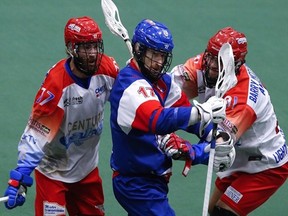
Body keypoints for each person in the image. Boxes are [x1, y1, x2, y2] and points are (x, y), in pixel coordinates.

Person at [109, 19, 234, 216]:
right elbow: (158, 120)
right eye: (154, 55)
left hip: (155, 182)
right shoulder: (128, 86)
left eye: (162, 55)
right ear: (139, 50)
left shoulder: (163, 83)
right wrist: (202, 112)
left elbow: (193, 121)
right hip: (136, 185)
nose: (159, 62)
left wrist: (214, 139)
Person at [3, 16, 119, 216]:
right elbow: (36, 136)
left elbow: (129, 100)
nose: (92, 54)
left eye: (95, 46)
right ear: (72, 48)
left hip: (86, 171)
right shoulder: (56, 86)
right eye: (85, 48)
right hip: (53, 173)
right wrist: (19, 177)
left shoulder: (107, 70)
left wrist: (139, 78)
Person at [171, 26, 288, 216]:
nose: (209, 65)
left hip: (265, 165)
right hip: (238, 159)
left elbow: (221, 144)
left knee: (223, 213)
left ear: (236, 64)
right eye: (209, 55)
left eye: (218, 61)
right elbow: (170, 89)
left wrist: (189, 150)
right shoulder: (202, 64)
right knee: (210, 212)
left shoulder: (245, 99)